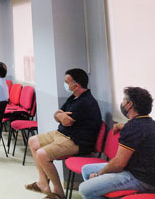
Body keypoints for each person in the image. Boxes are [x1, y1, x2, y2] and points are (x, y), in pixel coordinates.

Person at [26, 68, 102, 199]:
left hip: (77, 141)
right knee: (33, 141)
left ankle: (58, 193)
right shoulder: (74, 97)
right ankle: (43, 183)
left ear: (76, 85)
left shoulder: (85, 102)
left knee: (42, 154)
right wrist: (59, 115)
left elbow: (66, 121)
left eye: (67, 82)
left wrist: (60, 116)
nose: (65, 84)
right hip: (62, 134)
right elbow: (58, 114)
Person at [79, 87, 155, 199]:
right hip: (141, 171)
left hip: (141, 178)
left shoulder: (133, 128)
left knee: (84, 189)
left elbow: (119, 164)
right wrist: (120, 125)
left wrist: (98, 175)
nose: (122, 103)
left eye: (124, 100)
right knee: (87, 169)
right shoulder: (149, 123)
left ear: (130, 105)